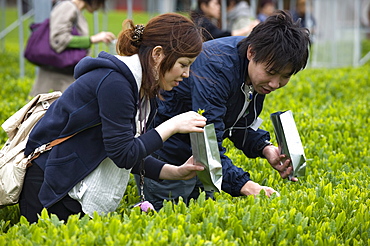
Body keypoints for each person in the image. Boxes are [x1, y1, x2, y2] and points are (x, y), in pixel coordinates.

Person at [19, 13, 206, 223]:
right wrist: (172, 126)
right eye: (183, 64)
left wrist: (176, 172)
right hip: (53, 188)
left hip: (68, 183)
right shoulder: (116, 83)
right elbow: (123, 154)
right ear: (157, 54)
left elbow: (128, 150)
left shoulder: (143, 89)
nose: (187, 73)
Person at [138, 10, 311, 211]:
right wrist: (246, 186)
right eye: (271, 73)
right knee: (168, 223)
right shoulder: (216, 70)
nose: (275, 83)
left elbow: (238, 123)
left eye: (285, 77)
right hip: (167, 155)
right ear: (251, 53)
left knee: (200, 221)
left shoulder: (258, 69)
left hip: (197, 159)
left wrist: (266, 148)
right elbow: (208, 144)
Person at [29, 0, 116, 97]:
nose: (100, 6)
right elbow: (59, 39)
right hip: (56, 75)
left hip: (62, 72)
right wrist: (93, 39)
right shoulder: (68, 7)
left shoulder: (75, 10)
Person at [191, 0, 257, 41]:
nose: (219, 7)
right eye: (215, 3)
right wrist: (248, 28)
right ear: (204, 6)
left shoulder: (199, 20)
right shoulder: (202, 22)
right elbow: (222, 35)